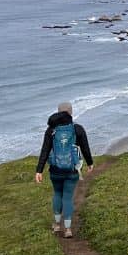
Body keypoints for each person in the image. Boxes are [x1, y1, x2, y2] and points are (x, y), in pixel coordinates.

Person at [35, 102, 93, 238]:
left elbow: (45, 150)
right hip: (72, 170)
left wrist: (39, 170)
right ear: (71, 113)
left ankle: (56, 225)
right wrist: (90, 163)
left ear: (58, 113)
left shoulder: (51, 130)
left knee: (57, 194)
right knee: (67, 197)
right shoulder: (77, 129)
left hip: (55, 170)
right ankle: (68, 229)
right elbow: (85, 147)